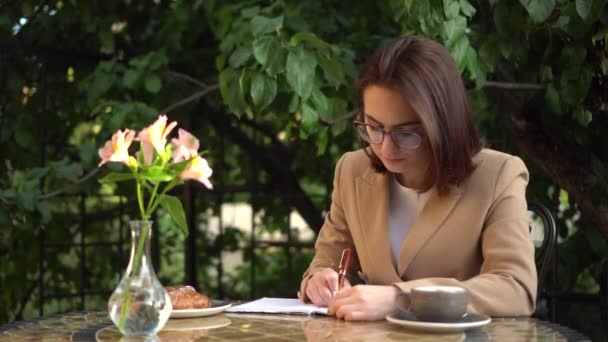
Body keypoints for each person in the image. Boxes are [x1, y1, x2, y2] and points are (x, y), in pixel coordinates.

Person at [298, 36, 537, 321]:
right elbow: (326, 262)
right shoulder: (352, 170)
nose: (386, 147)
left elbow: (516, 288)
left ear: (443, 124)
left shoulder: (498, 174)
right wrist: (318, 280)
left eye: (406, 132)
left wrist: (402, 297)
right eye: (373, 127)